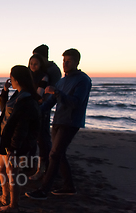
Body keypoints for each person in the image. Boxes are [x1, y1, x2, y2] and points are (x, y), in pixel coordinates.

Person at [26, 48, 92, 200]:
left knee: (54, 154)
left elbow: (76, 103)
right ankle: (69, 186)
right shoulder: (62, 81)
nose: (65, 64)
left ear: (77, 62)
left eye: (69, 61)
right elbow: (50, 102)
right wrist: (36, 112)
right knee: (59, 154)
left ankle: (44, 190)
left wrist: (57, 92)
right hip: (58, 120)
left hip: (71, 122)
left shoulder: (83, 80)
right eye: (64, 60)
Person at [0, 66, 41, 213]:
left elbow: (22, 128)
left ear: (17, 79)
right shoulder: (18, 95)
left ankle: (14, 204)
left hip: (16, 142)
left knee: (12, 172)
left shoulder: (26, 100)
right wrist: (5, 91)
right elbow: (4, 110)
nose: (10, 80)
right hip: (8, 140)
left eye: (11, 78)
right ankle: (4, 196)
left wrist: (13, 148)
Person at [28, 54, 50, 180]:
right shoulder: (30, 76)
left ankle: (41, 169)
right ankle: (30, 165)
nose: (33, 66)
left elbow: (38, 94)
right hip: (31, 109)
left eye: (35, 64)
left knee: (41, 139)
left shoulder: (44, 76)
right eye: (31, 64)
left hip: (39, 111)